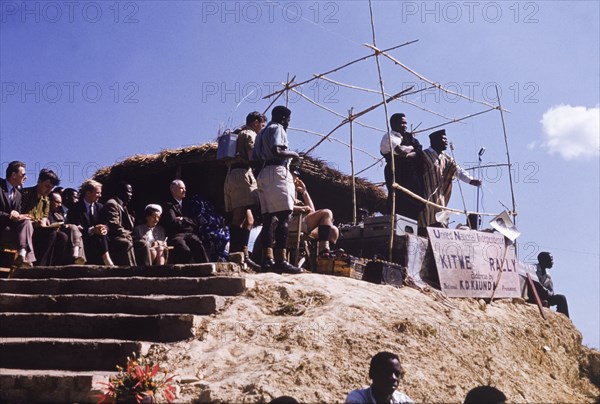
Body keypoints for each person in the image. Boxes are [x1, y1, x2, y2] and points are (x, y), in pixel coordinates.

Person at [252, 105, 302, 274]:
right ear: (283, 118)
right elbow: (277, 150)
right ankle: (281, 259)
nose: (288, 123)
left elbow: (254, 160)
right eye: (288, 119)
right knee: (284, 216)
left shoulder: (261, 133)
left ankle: (267, 259)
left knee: (267, 219)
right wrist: (294, 155)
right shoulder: (278, 128)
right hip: (277, 171)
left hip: (263, 174)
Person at [224, 111, 266, 270]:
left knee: (249, 220)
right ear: (256, 122)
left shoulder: (238, 133)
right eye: (262, 124)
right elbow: (252, 156)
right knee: (239, 214)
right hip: (242, 174)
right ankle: (235, 253)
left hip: (233, 175)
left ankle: (243, 253)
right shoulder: (249, 134)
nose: (262, 128)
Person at [419, 129, 481, 228]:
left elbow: (458, 171)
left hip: (440, 196)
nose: (446, 142)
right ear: (435, 141)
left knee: (440, 219)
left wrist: (471, 180)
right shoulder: (424, 155)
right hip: (425, 195)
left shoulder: (446, 158)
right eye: (444, 139)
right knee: (426, 219)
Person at [380, 113, 423, 220]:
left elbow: (419, 150)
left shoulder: (409, 136)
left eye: (405, 123)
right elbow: (399, 151)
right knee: (397, 198)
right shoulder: (389, 137)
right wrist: (410, 149)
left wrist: (409, 152)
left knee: (413, 199)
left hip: (411, 173)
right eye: (402, 123)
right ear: (393, 124)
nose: (404, 125)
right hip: (396, 170)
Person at [21, 169, 68, 266]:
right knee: (50, 234)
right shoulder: (25, 194)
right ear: (39, 181)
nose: (49, 190)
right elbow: (20, 213)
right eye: (47, 186)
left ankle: (51, 266)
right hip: (25, 229)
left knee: (62, 237)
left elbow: (44, 217)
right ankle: (39, 266)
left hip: (39, 229)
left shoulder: (46, 200)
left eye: (51, 188)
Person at [291, 168, 339, 256]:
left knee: (333, 230)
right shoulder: (282, 190)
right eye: (294, 177)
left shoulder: (295, 197)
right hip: (291, 223)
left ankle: (325, 258)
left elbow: (312, 211)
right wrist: (302, 208)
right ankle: (323, 250)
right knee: (327, 213)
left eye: (297, 177)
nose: (296, 179)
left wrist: (304, 192)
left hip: (302, 224)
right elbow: (283, 206)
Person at [66, 179, 114, 266]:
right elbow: (76, 228)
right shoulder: (75, 208)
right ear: (88, 193)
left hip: (99, 238)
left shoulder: (100, 207)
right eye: (97, 193)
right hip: (83, 239)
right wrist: (92, 230)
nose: (100, 195)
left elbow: (106, 223)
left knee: (102, 235)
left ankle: (107, 258)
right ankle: (107, 260)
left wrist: (104, 228)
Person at [161, 179, 209, 264]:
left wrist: (183, 219)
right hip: (176, 235)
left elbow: (195, 221)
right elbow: (173, 222)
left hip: (189, 233)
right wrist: (188, 222)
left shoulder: (188, 204)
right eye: (181, 188)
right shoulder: (169, 205)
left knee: (198, 244)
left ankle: (206, 267)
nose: (184, 190)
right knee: (183, 248)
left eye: (184, 188)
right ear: (174, 190)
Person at [0, 161, 36, 268]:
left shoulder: (18, 194)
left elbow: (17, 214)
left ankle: (22, 255)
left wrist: (21, 216)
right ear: (14, 175)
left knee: (27, 221)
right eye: (23, 174)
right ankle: (27, 259)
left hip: (11, 229)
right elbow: (10, 215)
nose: (26, 177)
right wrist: (8, 215)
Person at [346, 351, 414, 404]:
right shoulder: (358, 398)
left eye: (397, 374)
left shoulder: (404, 400)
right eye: (387, 372)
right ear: (372, 374)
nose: (393, 377)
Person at [101, 182, 139, 266]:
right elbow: (114, 225)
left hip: (126, 235)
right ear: (120, 192)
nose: (131, 195)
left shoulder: (124, 206)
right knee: (126, 243)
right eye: (129, 192)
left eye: (131, 192)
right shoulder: (112, 204)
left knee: (142, 243)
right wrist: (128, 235)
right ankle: (131, 271)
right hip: (115, 237)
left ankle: (147, 271)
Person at [48, 190, 86, 264]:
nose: (77, 200)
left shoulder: (72, 211)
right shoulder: (55, 211)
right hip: (55, 231)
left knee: (77, 230)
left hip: (66, 231)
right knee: (73, 228)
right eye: (75, 197)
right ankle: (76, 256)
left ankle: (79, 259)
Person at [531, 251, 570, 318]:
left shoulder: (547, 274)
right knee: (541, 290)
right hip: (533, 295)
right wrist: (546, 292)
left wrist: (548, 293)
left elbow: (551, 290)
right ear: (544, 260)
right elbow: (536, 285)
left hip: (544, 295)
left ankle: (565, 318)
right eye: (550, 260)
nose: (552, 262)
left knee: (561, 298)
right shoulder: (533, 269)